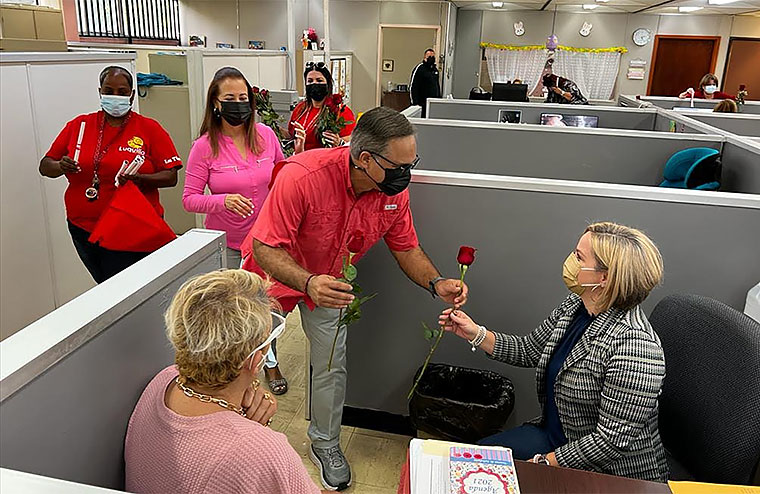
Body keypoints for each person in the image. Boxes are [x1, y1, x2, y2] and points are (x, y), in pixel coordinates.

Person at [241, 107, 469, 491]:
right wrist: (308, 281)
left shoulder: (392, 193)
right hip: (272, 274)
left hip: (329, 285)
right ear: (365, 158)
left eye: (412, 163)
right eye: (399, 165)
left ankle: (325, 443)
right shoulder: (303, 176)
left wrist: (437, 282)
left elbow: (406, 247)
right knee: (244, 359)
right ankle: (239, 444)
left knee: (331, 364)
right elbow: (266, 247)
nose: (406, 174)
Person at [439, 222, 668, 483]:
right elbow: (529, 350)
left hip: (609, 473)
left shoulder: (635, 346)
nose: (570, 260)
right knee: (470, 463)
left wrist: (541, 464)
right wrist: (475, 333)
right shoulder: (577, 304)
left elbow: (610, 442)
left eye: (579, 257)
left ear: (604, 277)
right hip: (555, 436)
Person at [125, 269, 327, 494]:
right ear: (255, 357)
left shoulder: (162, 381)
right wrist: (252, 436)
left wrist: (244, 408)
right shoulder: (264, 452)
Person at [182, 67, 289, 395]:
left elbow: (284, 177)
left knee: (269, 305)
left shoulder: (267, 136)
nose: (238, 104)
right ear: (216, 103)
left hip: (268, 242)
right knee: (239, 312)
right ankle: (240, 371)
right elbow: (189, 199)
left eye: (243, 98)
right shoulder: (204, 147)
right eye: (230, 98)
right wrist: (221, 201)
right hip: (230, 245)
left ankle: (269, 361)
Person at [39, 66, 181, 283]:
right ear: (100, 92)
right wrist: (60, 165)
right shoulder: (80, 125)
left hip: (132, 225)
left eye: (122, 92)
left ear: (132, 95)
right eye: (109, 91)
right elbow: (45, 166)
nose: (116, 97)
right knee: (105, 284)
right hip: (83, 226)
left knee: (131, 286)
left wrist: (139, 179)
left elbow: (171, 177)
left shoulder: (149, 128)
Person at [289, 62, 356, 154]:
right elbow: (290, 135)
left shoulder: (340, 111)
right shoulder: (301, 108)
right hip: (301, 160)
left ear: (328, 84)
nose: (314, 84)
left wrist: (339, 142)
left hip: (327, 162)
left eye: (319, 80)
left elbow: (351, 144)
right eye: (310, 81)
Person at [410, 48, 441, 117]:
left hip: (433, 103)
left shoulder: (435, 70)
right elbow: (413, 86)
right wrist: (415, 103)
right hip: (422, 103)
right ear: (425, 57)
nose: (431, 58)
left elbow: (437, 86)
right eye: (429, 56)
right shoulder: (420, 68)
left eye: (433, 57)